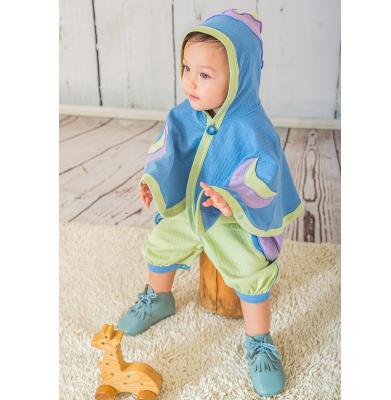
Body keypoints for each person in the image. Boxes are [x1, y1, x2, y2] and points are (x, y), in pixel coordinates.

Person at [117, 9, 304, 397]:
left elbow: (264, 171)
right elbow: (167, 149)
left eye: (204, 75)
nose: (190, 82)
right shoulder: (185, 114)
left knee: (251, 269)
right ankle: (159, 297)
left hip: (233, 218)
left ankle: (259, 341)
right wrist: (153, 180)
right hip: (192, 207)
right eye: (187, 68)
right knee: (161, 243)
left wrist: (233, 199)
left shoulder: (251, 126)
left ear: (238, 78)